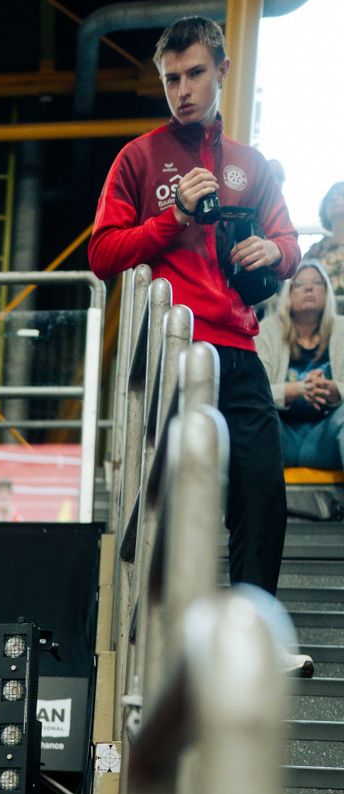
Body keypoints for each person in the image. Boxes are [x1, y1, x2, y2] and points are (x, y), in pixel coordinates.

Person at [89, 13, 299, 593]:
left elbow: (289, 243)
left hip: (238, 350)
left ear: (223, 72)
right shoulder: (138, 158)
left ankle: (254, 627)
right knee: (178, 495)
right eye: (171, 78)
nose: (182, 91)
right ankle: (177, 637)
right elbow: (102, 253)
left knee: (261, 494)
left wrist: (271, 253)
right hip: (173, 352)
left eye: (196, 74)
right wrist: (173, 218)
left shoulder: (250, 165)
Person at [256, 259, 344, 471]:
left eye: (316, 282)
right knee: (255, 411)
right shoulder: (267, 330)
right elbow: (256, 391)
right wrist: (297, 389)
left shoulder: (342, 329)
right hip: (280, 438)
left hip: (327, 439)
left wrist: (336, 391)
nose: (309, 288)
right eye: (301, 283)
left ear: (326, 291)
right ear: (289, 293)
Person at [306, 181, 344, 310]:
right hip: (323, 320)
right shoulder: (315, 251)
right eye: (330, 198)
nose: (334, 198)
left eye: (342, 194)